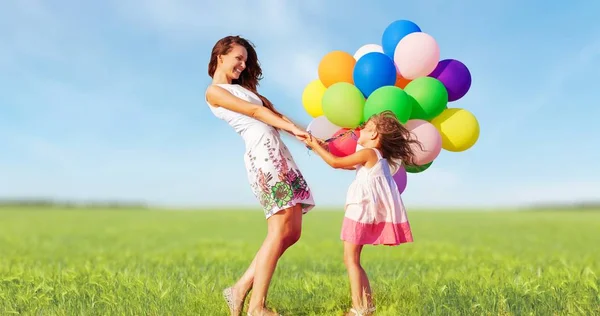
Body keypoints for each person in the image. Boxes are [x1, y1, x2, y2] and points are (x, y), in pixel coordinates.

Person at [205, 35, 316, 316]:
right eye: (238, 58)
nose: (242, 65)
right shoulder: (215, 92)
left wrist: (306, 134)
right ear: (220, 56)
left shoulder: (248, 90)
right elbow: (255, 112)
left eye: (245, 60)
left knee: (291, 233)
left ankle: (239, 289)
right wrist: (293, 131)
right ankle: (257, 307)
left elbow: (275, 114)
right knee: (278, 231)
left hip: (279, 155)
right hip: (263, 158)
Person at [303, 111, 420, 316]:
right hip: (364, 212)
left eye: (366, 127)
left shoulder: (369, 153)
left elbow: (336, 163)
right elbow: (344, 165)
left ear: (374, 135)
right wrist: (322, 147)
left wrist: (314, 146)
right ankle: (366, 307)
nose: (361, 129)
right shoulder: (377, 157)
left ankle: (358, 308)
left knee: (350, 260)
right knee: (353, 260)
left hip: (359, 212)